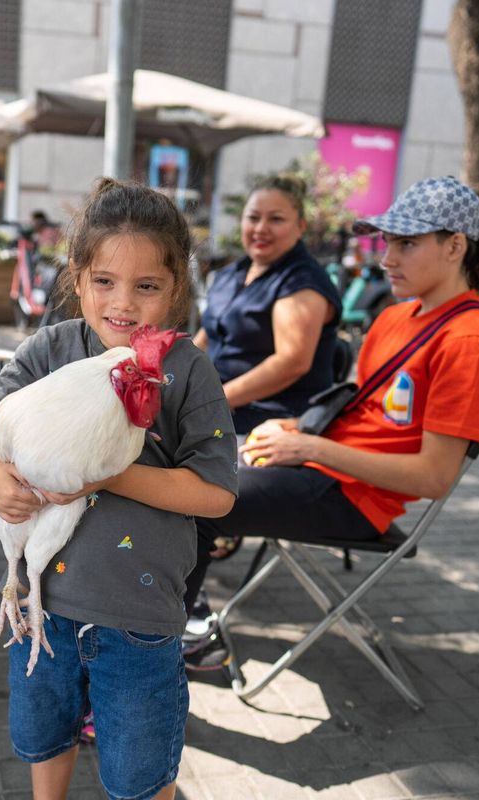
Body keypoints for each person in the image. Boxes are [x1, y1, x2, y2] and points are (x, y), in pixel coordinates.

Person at [0, 179, 239, 800]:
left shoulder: (187, 370)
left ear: (176, 287)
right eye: (105, 281)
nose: (123, 303)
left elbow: (217, 493)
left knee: (139, 769)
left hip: (138, 614)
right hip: (42, 603)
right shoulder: (52, 348)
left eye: (147, 286)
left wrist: (107, 472)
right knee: (45, 734)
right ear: (77, 275)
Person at [187, 176, 479, 620]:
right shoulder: (395, 318)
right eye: (388, 242)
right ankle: (164, 626)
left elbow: (433, 477)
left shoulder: (472, 341)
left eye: (406, 244)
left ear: (455, 246)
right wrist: (296, 428)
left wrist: (308, 446)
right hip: (321, 469)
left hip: (355, 499)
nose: (387, 258)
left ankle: (164, 637)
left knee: (194, 499)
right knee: (178, 472)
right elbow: (366, 415)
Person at [185, 174, 341, 641]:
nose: (261, 228)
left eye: (276, 219)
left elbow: (291, 362)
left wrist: (211, 401)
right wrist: (173, 378)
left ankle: (186, 611)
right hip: (217, 413)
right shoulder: (234, 272)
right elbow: (207, 337)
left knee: (171, 482)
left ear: (300, 226)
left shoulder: (302, 281)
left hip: (269, 420)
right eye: (254, 217)